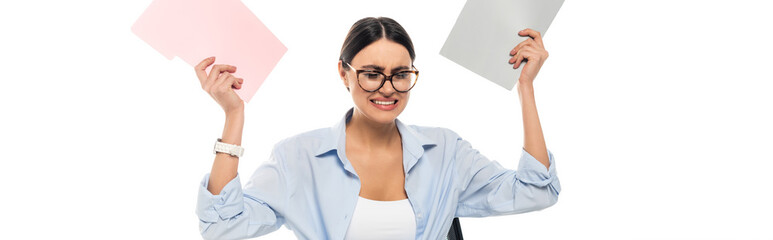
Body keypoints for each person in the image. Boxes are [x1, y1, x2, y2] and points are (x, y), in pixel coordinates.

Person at [194, 17, 560, 240]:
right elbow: (221, 225)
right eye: (371, 74)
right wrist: (234, 116)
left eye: (401, 75)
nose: (388, 88)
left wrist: (526, 88)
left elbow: (536, 191)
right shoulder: (299, 158)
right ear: (344, 73)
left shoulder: (445, 152)